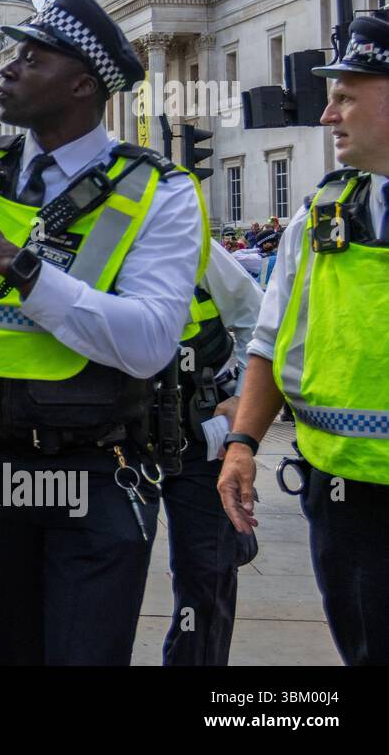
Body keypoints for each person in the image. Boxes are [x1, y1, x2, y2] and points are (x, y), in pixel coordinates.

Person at [0, 0, 206, 665]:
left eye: (32, 58)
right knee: (11, 645)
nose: (7, 69)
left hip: (99, 464)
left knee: (85, 649)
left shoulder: (159, 191)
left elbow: (148, 343)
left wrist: (16, 265)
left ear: (82, 85)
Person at [218, 10, 389, 666]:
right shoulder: (322, 215)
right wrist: (242, 445)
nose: (327, 115)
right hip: (342, 500)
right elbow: (270, 342)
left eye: (345, 97)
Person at [159, 240, 262, 665]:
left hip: (198, 429)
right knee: (102, 575)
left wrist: (242, 397)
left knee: (207, 574)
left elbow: (256, 317)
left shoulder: (188, 238)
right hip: (111, 437)